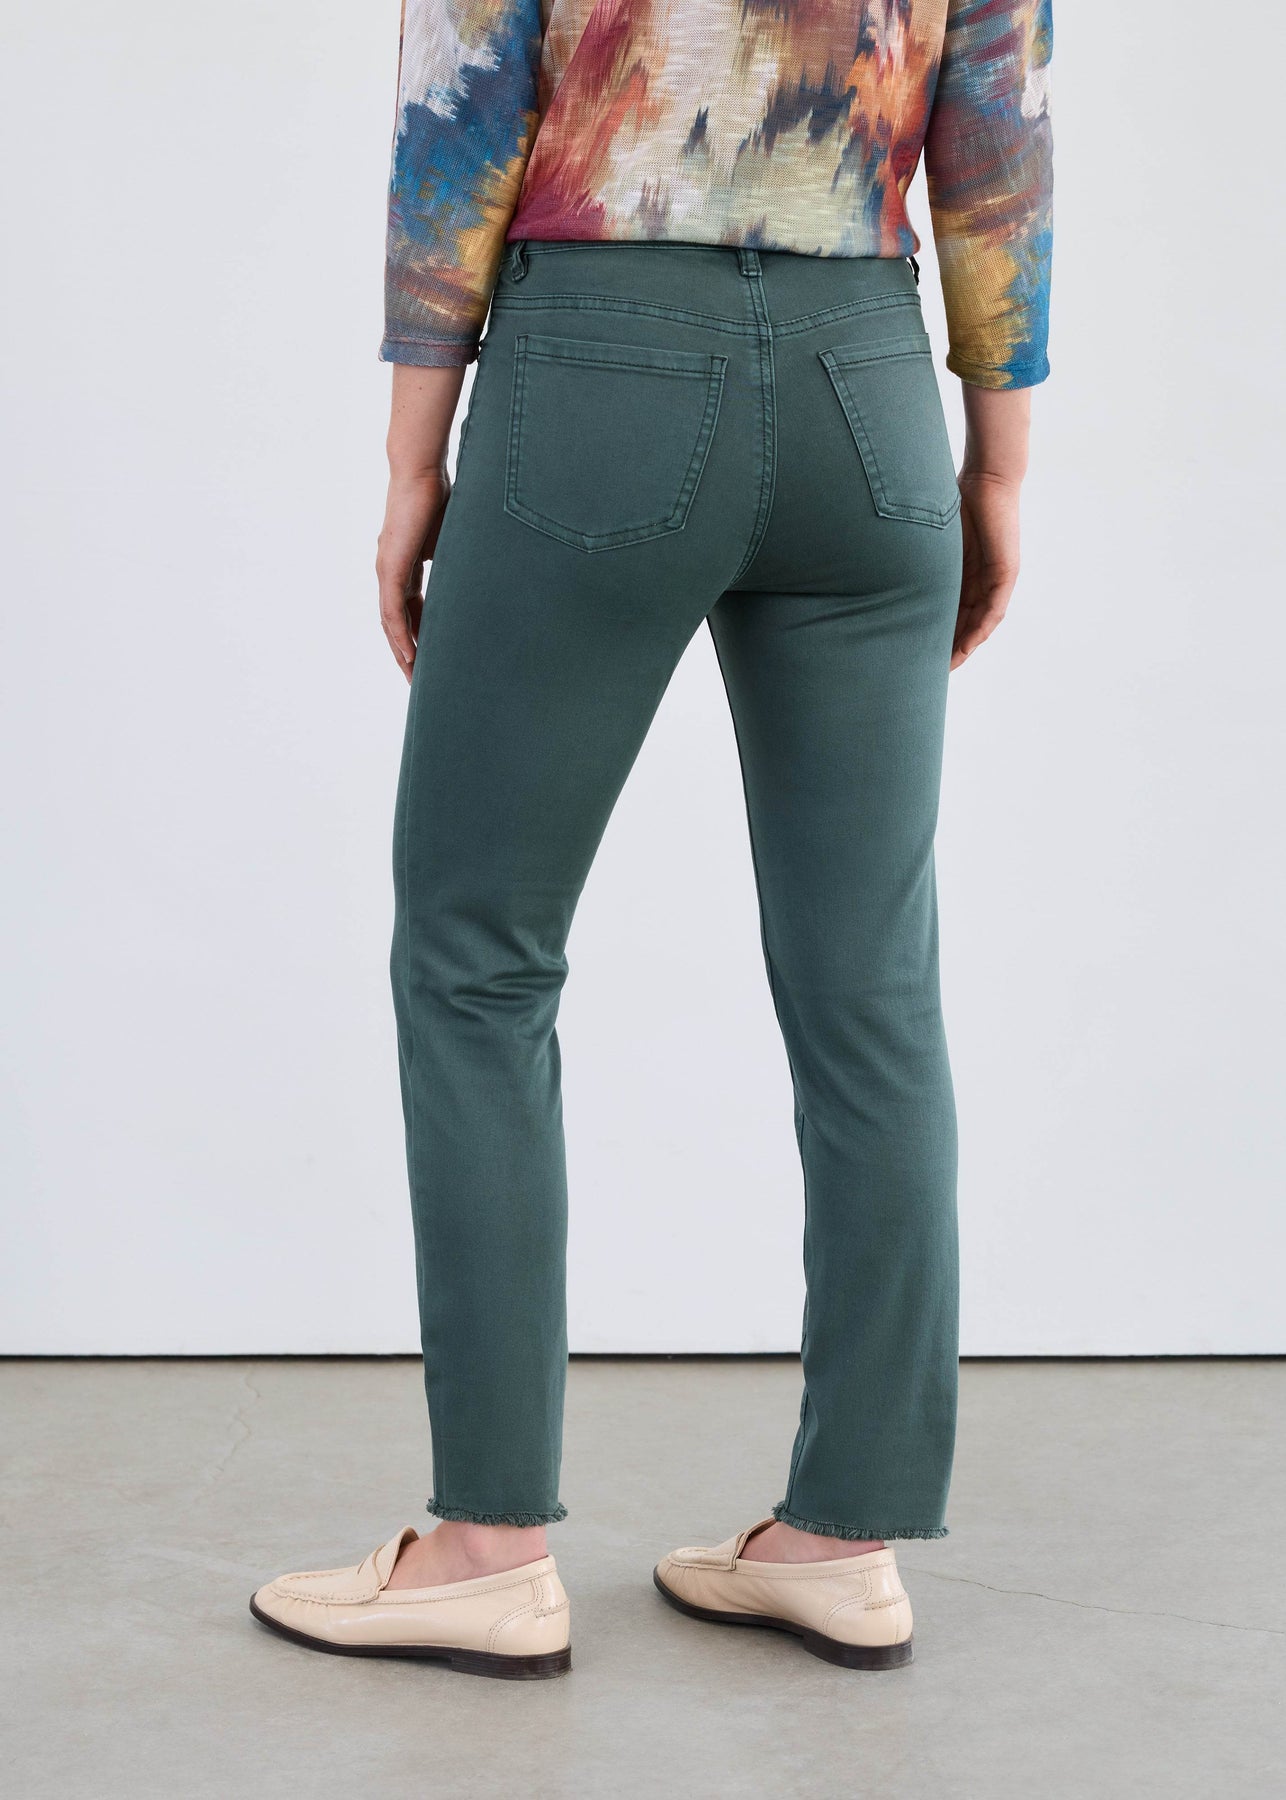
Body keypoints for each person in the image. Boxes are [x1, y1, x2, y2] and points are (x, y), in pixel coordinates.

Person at [250, 0, 1052, 1678]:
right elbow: (997, 148)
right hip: (869, 383)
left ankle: (484, 1551)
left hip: (596, 371)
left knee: (477, 958)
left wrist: (410, 461)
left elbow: (460, 116)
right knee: (870, 991)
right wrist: (996, 468)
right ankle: (844, 1540)